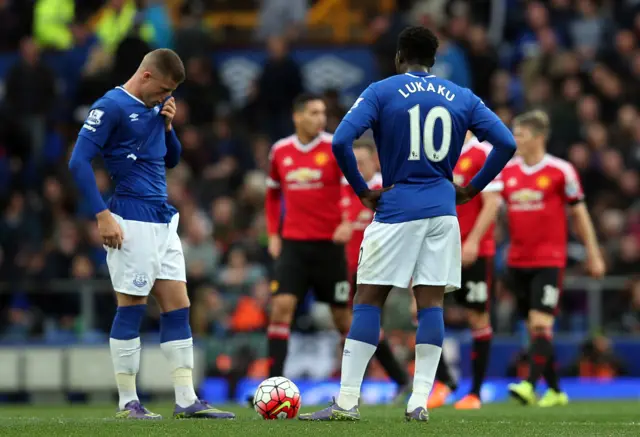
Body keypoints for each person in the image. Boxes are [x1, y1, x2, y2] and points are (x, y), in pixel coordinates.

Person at [299, 25, 516, 422]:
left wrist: (363, 190)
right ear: (433, 61)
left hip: (397, 208)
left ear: (400, 56)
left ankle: (346, 402)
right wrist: (470, 189)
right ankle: (419, 401)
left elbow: (340, 141)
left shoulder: (382, 90)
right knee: (431, 303)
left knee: (368, 300)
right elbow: (506, 143)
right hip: (443, 210)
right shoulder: (462, 96)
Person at [68, 49, 235, 420]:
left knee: (179, 305)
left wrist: (169, 127)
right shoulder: (110, 106)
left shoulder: (156, 109)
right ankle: (128, 402)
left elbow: (170, 159)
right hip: (130, 217)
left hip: (163, 218)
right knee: (132, 307)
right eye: (162, 90)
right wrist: (102, 215)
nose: (165, 97)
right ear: (145, 76)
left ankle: (186, 399)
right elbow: (77, 161)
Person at [263, 93, 408, 391]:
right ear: (297, 116)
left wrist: (348, 219)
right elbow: (272, 194)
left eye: (323, 113)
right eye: (314, 113)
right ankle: (273, 383)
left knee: (345, 320)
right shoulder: (280, 151)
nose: (321, 118)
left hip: (329, 248)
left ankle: (399, 377)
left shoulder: (335, 147)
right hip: (294, 245)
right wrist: (274, 234)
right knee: (281, 308)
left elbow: (357, 187)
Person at [502, 110, 605, 407]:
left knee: (539, 324)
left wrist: (594, 253)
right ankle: (557, 391)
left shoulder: (561, 171)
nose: (515, 140)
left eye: (520, 134)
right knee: (534, 331)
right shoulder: (507, 173)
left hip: (549, 260)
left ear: (538, 137)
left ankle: (529, 386)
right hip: (517, 261)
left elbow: (580, 214)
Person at [428, 131, 503, 410]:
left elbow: (492, 203)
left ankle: (475, 392)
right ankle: (444, 381)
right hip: (438, 247)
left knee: (477, 316)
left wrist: (472, 241)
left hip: (473, 251)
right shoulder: (435, 152)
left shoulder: (481, 153)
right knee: (424, 309)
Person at [342, 141, 410, 399]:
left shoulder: (389, 188)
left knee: (363, 325)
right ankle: (400, 380)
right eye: (354, 162)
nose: (357, 167)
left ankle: (427, 379)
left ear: (375, 161)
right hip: (349, 269)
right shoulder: (345, 188)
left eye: (362, 161)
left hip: (383, 267)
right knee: (354, 326)